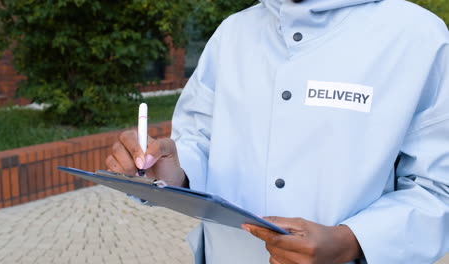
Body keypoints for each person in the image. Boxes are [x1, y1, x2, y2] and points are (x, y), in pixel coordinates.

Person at [106, 0, 449, 263]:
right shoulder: (233, 33)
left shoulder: (417, 37)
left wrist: (351, 241)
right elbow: (201, 140)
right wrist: (171, 169)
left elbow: (438, 189)